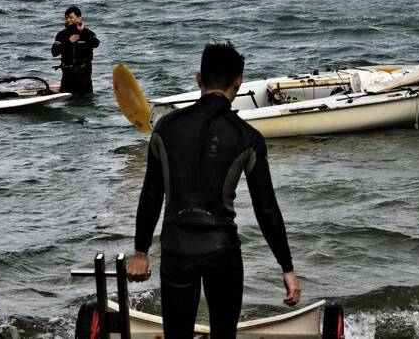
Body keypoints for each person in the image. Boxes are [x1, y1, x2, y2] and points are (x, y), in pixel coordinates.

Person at [127, 42, 300, 338]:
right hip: (221, 249)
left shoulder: (165, 128)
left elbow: (152, 194)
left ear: (198, 79)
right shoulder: (247, 137)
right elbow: (266, 207)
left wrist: (140, 252)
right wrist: (287, 267)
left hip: (176, 247)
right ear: (239, 82)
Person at [51, 6, 99, 96]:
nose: (68, 20)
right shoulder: (62, 35)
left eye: (71, 17)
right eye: (66, 18)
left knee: (86, 103)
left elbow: (96, 44)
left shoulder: (87, 33)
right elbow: (54, 52)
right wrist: (69, 42)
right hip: (67, 75)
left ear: (79, 18)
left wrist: (83, 31)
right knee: (67, 103)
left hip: (84, 76)